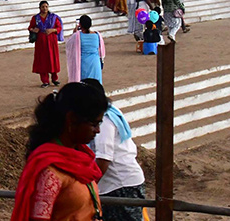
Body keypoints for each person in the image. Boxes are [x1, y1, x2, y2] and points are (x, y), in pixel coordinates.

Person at [10, 82, 109, 221]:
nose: (97, 130)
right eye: (93, 124)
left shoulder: (83, 159)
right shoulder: (49, 172)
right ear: (72, 119)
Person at [82, 79, 146, 221]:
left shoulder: (104, 120)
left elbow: (104, 158)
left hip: (119, 186)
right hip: (124, 182)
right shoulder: (111, 110)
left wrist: (89, 188)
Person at [29, 1, 62, 88]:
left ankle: (55, 78)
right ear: (39, 8)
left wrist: (52, 30)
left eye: (46, 6)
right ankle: (45, 80)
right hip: (41, 42)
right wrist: (33, 30)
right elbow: (30, 27)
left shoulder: (53, 17)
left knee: (52, 58)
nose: (45, 8)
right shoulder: (35, 18)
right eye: (43, 7)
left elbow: (59, 27)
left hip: (51, 41)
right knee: (42, 59)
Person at [65, 15, 105, 84]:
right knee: (95, 82)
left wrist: (74, 32)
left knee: (84, 83)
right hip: (95, 62)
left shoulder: (77, 35)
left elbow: (68, 44)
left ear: (80, 24)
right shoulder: (97, 35)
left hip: (83, 62)